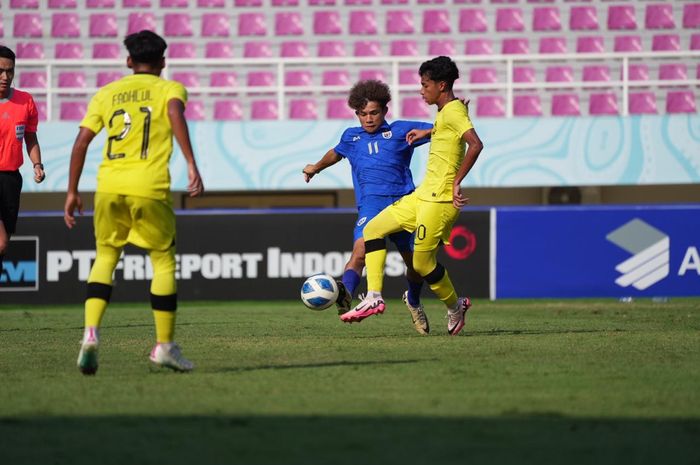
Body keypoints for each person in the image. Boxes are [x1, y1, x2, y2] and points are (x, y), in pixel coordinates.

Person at [64, 30, 204, 375]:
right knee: (163, 261)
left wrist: (71, 191)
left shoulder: (106, 93)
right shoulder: (170, 88)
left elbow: (82, 141)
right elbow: (174, 113)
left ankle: (91, 334)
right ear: (163, 62)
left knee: (106, 256)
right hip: (148, 185)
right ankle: (165, 346)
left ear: (129, 61)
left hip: (108, 186)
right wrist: (190, 161)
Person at [340, 56, 484, 336]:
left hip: (439, 200)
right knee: (372, 229)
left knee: (420, 265)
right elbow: (447, 129)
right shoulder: (445, 112)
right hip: (421, 196)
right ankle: (374, 296)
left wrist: (456, 182)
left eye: (424, 84)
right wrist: (429, 130)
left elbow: (476, 145)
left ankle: (456, 306)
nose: (421, 90)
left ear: (441, 85)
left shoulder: (452, 112)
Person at [303, 79, 433, 334]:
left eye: (374, 113)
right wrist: (316, 167)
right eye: (363, 114)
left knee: (416, 265)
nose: (369, 119)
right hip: (370, 207)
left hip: (404, 205)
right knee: (360, 251)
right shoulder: (351, 137)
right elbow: (336, 152)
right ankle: (346, 295)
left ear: (385, 111)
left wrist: (447, 119)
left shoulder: (400, 131)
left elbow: (442, 129)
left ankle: (414, 301)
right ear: (357, 114)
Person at [0, 46, 45, 283]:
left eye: (9, 71)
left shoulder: (25, 101)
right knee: (1, 242)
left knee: (3, 247)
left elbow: (30, 136)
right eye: (0, 71)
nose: (5, 77)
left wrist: (37, 164)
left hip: (11, 179)